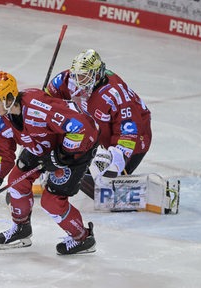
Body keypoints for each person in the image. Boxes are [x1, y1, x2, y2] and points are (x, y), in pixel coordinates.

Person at [0, 71, 99, 255]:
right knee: (16, 181)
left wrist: (62, 154)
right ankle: (21, 227)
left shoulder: (38, 108)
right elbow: (1, 152)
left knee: (52, 202)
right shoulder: (0, 122)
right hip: (42, 147)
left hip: (78, 148)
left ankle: (83, 238)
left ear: (9, 98)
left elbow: (81, 127)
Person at [46, 49, 152, 196]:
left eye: (84, 76)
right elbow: (46, 103)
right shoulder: (66, 80)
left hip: (137, 136)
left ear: (97, 74)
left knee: (100, 174)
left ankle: (131, 189)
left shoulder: (114, 93)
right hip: (97, 132)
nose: (79, 81)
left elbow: (129, 130)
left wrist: (116, 160)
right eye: (76, 75)